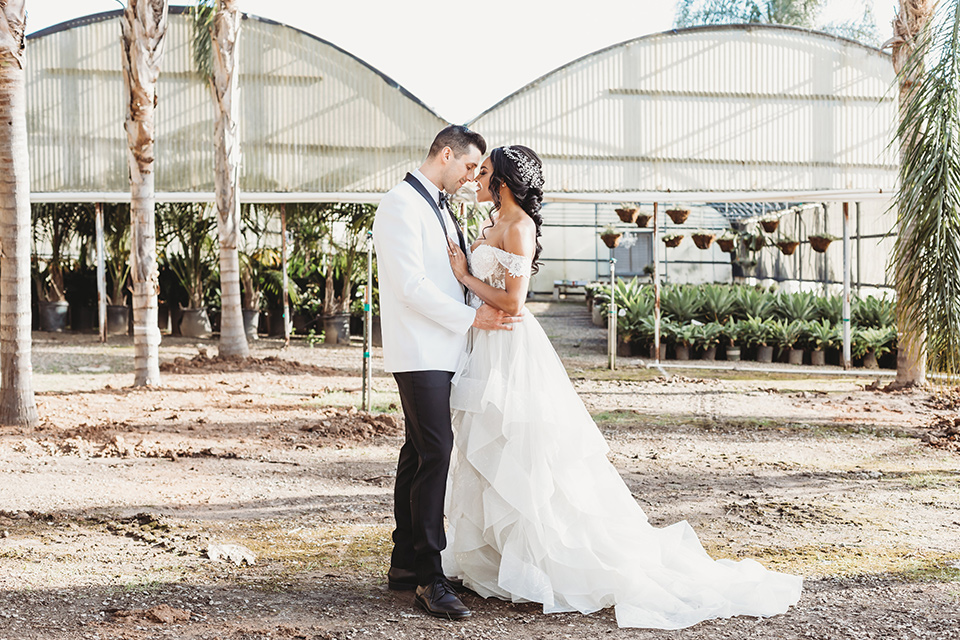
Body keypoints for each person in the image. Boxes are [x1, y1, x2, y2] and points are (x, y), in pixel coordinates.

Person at [442, 145, 803, 629]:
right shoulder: (487, 225)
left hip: (510, 347)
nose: (477, 178)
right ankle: (497, 559)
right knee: (488, 445)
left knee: (523, 450)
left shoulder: (518, 227)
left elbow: (514, 301)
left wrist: (465, 274)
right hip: (483, 347)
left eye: (484, 172)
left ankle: (541, 563)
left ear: (504, 181)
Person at [371, 125, 521, 621]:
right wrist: (473, 317)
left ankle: (405, 564)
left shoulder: (439, 205)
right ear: (447, 154)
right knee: (436, 452)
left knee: (418, 452)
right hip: (420, 351)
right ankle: (430, 578)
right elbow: (410, 285)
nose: (472, 178)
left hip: (446, 349)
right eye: (469, 168)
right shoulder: (399, 204)